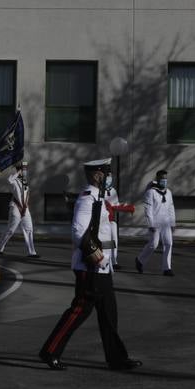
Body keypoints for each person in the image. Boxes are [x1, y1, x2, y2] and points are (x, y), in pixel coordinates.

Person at [38, 158, 142, 372]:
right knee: (79, 311)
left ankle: (116, 358)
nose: (109, 176)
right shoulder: (87, 199)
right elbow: (78, 233)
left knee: (109, 314)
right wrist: (99, 258)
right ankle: (50, 351)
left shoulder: (99, 198)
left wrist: (107, 260)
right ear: (97, 174)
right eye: (107, 172)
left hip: (102, 267)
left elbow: (101, 232)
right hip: (91, 267)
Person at [136, 169, 176, 277]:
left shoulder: (169, 192)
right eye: (162, 179)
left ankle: (166, 268)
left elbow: (171, 208)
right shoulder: (151, 192)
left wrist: (173, 223)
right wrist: (151, 224)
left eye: (166, 179)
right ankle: (140, 260)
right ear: (157, 179)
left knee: (168, 244)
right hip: (156, 221)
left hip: (166, 222)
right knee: (153, 244)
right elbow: (148, 209)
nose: (164, 181)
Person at [0, 161, 37, 257]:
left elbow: (27, 194)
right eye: (24, 169)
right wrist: (18, 172)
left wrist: (26, 205)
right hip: (16, 207)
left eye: (25, 169)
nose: (25, 171)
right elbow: (9, 180)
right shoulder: (14, 180)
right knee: (11, 229)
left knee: (29, 229)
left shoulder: (25, 181)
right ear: (19, 170)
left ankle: (32, 252)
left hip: (25, 208)